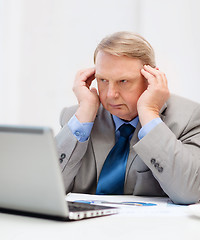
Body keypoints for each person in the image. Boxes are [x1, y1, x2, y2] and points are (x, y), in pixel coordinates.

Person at [55, 31, 200, 204]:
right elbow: (46, 189)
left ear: (151, 79)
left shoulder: (189, 118)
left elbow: (189, 193)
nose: (110, 94)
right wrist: (85, 111)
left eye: (123, 81)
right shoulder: (77, 118)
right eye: (103, 80)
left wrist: (149, 113)